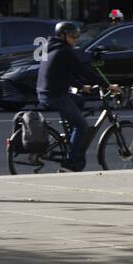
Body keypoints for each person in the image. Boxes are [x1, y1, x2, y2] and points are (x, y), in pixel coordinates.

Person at [36, 20, 99, 172]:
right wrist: (107, 85)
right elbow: (82, 70)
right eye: (73, 36)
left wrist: (81, 87)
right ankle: (69, 164)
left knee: (79, 101)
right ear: (63, 36)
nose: (76, 39)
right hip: (55, 95)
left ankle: (71, 136)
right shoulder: (64, 51)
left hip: (45, 93)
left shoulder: (51, 48)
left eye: (78, 36)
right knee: (82, 125)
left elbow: (63, 73)